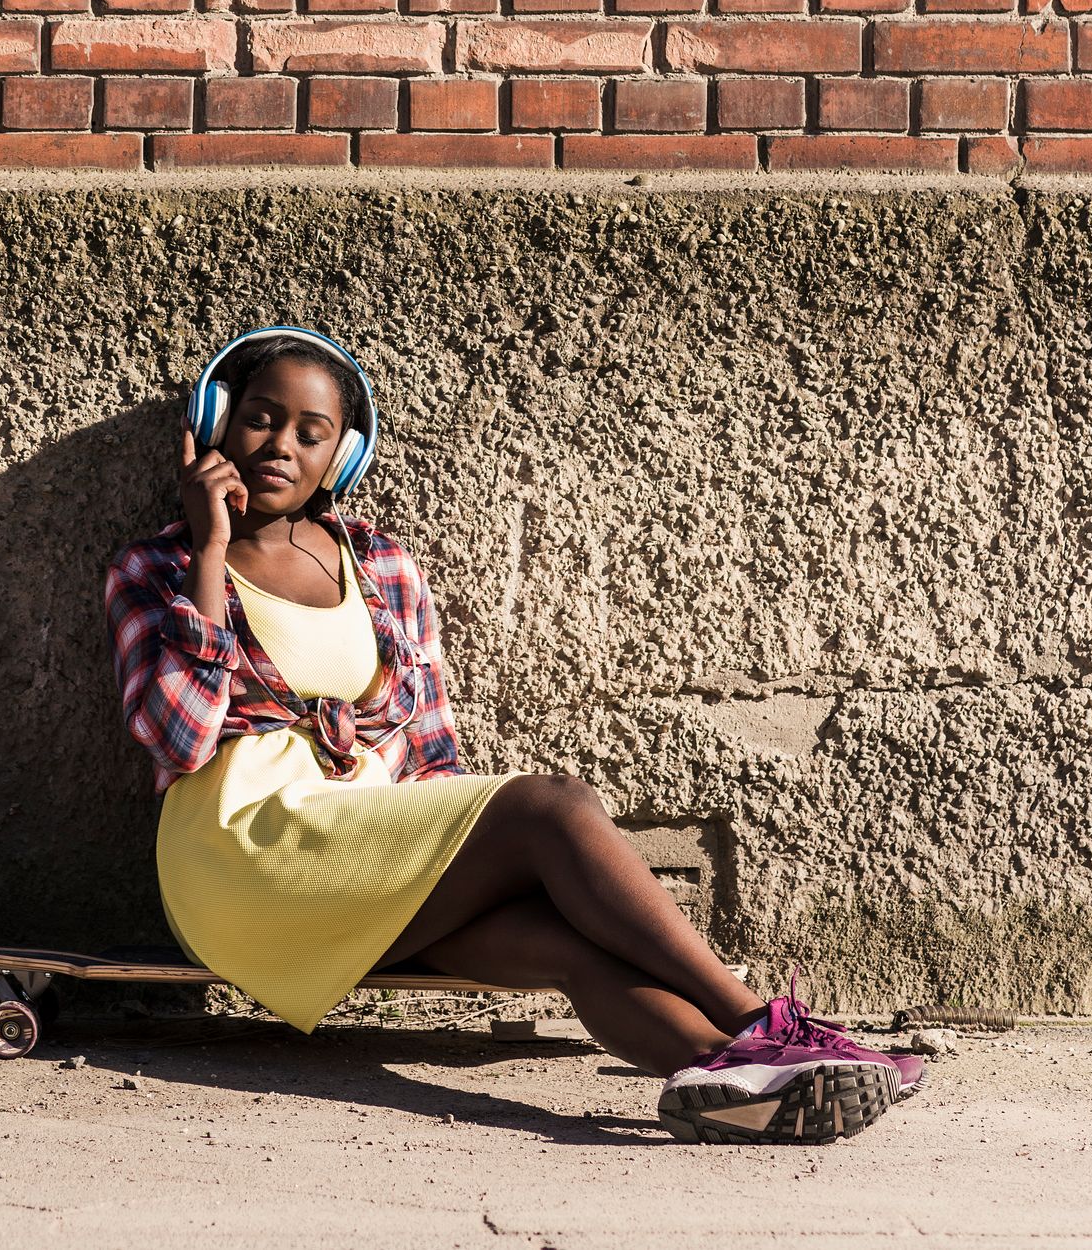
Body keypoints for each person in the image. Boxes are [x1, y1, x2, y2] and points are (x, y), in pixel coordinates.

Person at [103, 326, 923, 1145]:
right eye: (258, 419)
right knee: (551, 806)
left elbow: (431, 759)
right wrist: (209, 550)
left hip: (366, 852)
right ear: (215, 421)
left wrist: (469, 860)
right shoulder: (156, 567)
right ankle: (768, 1023)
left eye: (309, 433)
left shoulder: (384, 566)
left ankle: (737, 1075)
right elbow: (178, 739)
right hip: (241, 858)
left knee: (565, 942)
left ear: (341, 459)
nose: (279, 445)